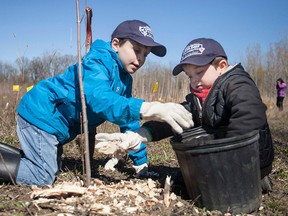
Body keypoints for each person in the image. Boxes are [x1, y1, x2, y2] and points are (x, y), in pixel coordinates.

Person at [0, 20, 193, 186]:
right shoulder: (97, 62)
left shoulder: (125, 78)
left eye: (146, 54)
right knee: (42, 177)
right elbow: (100, 99)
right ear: (116, 44)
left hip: (55, 126)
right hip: (41, 115)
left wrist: (140, 161)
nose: (140, 59)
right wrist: (148, 108)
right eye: (136, 50)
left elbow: (127, 121)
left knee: (51, 167)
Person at [95, 38, 274, 193]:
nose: (194, 81)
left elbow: (248, 119)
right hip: (219, 161)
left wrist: (225, 162)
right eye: (189, 76)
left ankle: (255, 180)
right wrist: (138, 136)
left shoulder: (238, 84)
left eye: (199, 72)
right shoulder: (198, 98)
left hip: (249, 163)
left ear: (221, 66)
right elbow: (172, 120)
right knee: (183, 182)